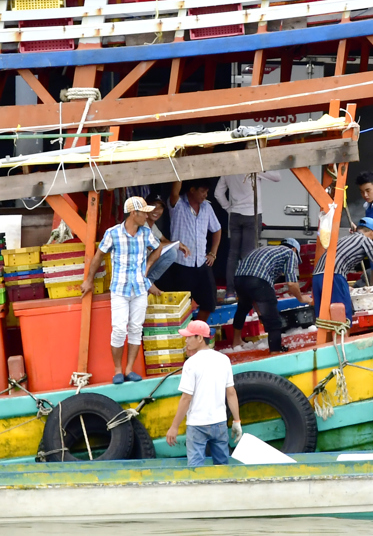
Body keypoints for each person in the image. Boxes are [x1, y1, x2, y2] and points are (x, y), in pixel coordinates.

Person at [81, 196, 163, 385]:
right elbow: (99, 255)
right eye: (144, 212)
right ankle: (118, 370)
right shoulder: (113, 233)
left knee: (135, 328)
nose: (148, 216)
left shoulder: (146, 232)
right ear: (134, 213)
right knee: (119, 330)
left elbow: (157, 248)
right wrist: (89, 280)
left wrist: (148, 266)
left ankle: (129, 369)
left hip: (140, 288)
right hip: (120, 289)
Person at [165, 320, 241, 468]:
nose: (186, 340)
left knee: (196, 470)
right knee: (222, 467)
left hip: (197, 425)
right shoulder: (224, 360)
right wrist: (237, 421)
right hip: (219, 423)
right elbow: (231, 393)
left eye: (189, 337)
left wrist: (174, 427)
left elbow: (186, 398)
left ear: (199, 338)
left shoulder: (191, 363)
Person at [313, 217, 373, 325]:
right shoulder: (366, 240)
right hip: (333, 277)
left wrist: (344, 285)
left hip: (317, 277)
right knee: (342, 319)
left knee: (324, 319)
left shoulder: (344, 239)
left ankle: (326, 341)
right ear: (372, 232)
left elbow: (337, 261)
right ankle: (344, 341)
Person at [232, 239, 313, 352]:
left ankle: (236, 342)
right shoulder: (290, 253)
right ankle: (275, 350)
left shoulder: (266, 250)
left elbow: (254, 293)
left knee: (243, 307)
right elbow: (291, 283)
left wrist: (261, 314)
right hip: (257, 280)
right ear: (294, 249)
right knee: (274, 320)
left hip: (238, 279)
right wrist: (301, 298)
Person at [214, 171, 282, 301]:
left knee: (233, 255)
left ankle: (230, 292)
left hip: (234, 215)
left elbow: (218, 193)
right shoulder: (253, 169)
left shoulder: (228, 170)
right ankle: (246, 291)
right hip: (252, 214)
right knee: (248, 255)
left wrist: (228, 208)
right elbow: (277, 177)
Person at [169, 180, 222, 322]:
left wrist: (213, 252)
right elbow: (174, 193)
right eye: (202, 191)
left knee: (209, 302)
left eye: (206, 192)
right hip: (181, 263)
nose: (205, 195)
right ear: (192, 190)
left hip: (201, 262)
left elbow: (216, 229)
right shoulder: (179, 204)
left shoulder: (207, 207)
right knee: (180, 305)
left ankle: (196, 332)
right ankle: (184, 334)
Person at [144, 194, 190, 293]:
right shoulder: (142, 224)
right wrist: (176, 245)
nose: (157, 210)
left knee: (171, 250)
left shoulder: (152, 225)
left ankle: (147, 282)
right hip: (135, 269)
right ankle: (147, 283)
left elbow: (164, 241)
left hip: (144, 267)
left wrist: (178, 244)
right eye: (153, 206)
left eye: (160, 207)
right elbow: (153, 247)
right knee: (172, 252)